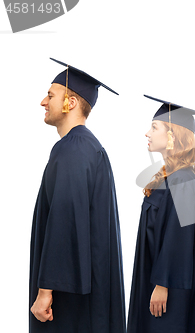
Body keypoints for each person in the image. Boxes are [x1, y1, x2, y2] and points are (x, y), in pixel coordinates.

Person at [29, 58, 126, 332]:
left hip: (67, 300)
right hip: (90, 288)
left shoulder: (72, 149)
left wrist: (45, 290)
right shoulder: (88, 147)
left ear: (70, 103)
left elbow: (64, 220)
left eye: (50, 95)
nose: (43, 102)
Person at [127, 95, 195, 333]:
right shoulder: (170, 176)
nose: (147, 133)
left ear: (170, 136)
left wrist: (163, 283)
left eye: (154, 127)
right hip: (157, 280)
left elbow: (179, 237)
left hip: (169, 290)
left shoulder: (183, 178)